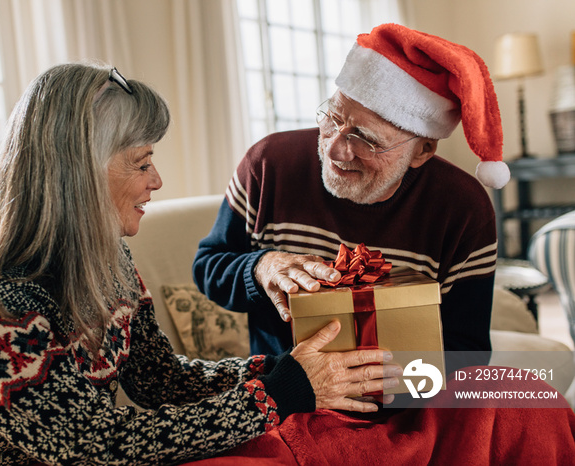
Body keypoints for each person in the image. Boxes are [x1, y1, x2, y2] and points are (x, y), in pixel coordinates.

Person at [0, 62, 402, 465]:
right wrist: (280, 393)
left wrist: (284, 369)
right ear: (81, 170)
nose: (158, 180)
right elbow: (93, 445)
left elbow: (159, 381)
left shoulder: (108, 258)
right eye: (141, 162)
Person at [193, 23, 511, 365]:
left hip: (404, 403)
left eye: (366, 139)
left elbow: (468, 350)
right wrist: (261, 267)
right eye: (332, 117)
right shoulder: (268, 165)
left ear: (423, 150)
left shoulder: (464, 210)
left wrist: (400, 381)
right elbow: (208, 267)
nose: (334, 149)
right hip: (284, 394)